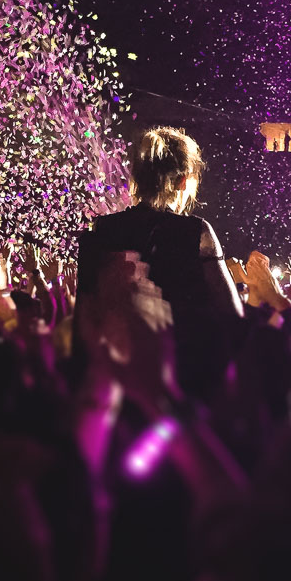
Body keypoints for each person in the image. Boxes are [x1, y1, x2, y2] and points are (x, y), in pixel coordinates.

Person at [76, 126, 243, 400]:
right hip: (181, 378)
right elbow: (232, 314)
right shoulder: (196, 232)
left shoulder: (103, 230)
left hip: (114, 382)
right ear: (183, 181)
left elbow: (86, 311)